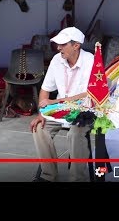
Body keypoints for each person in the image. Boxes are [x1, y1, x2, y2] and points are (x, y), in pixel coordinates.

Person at [30, 26, 94, 182]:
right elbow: (45, 90)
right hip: (60, 110)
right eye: (58, 44)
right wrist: (41, 114)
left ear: (76, 45)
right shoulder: (57, 59)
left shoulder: (90, 60)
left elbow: (89, 94)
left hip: (84, 110)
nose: (58, 48)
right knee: (39, 127)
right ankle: (48, 175)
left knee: (75, 133)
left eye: (63, 44)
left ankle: (77, 178)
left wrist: (55, 101)